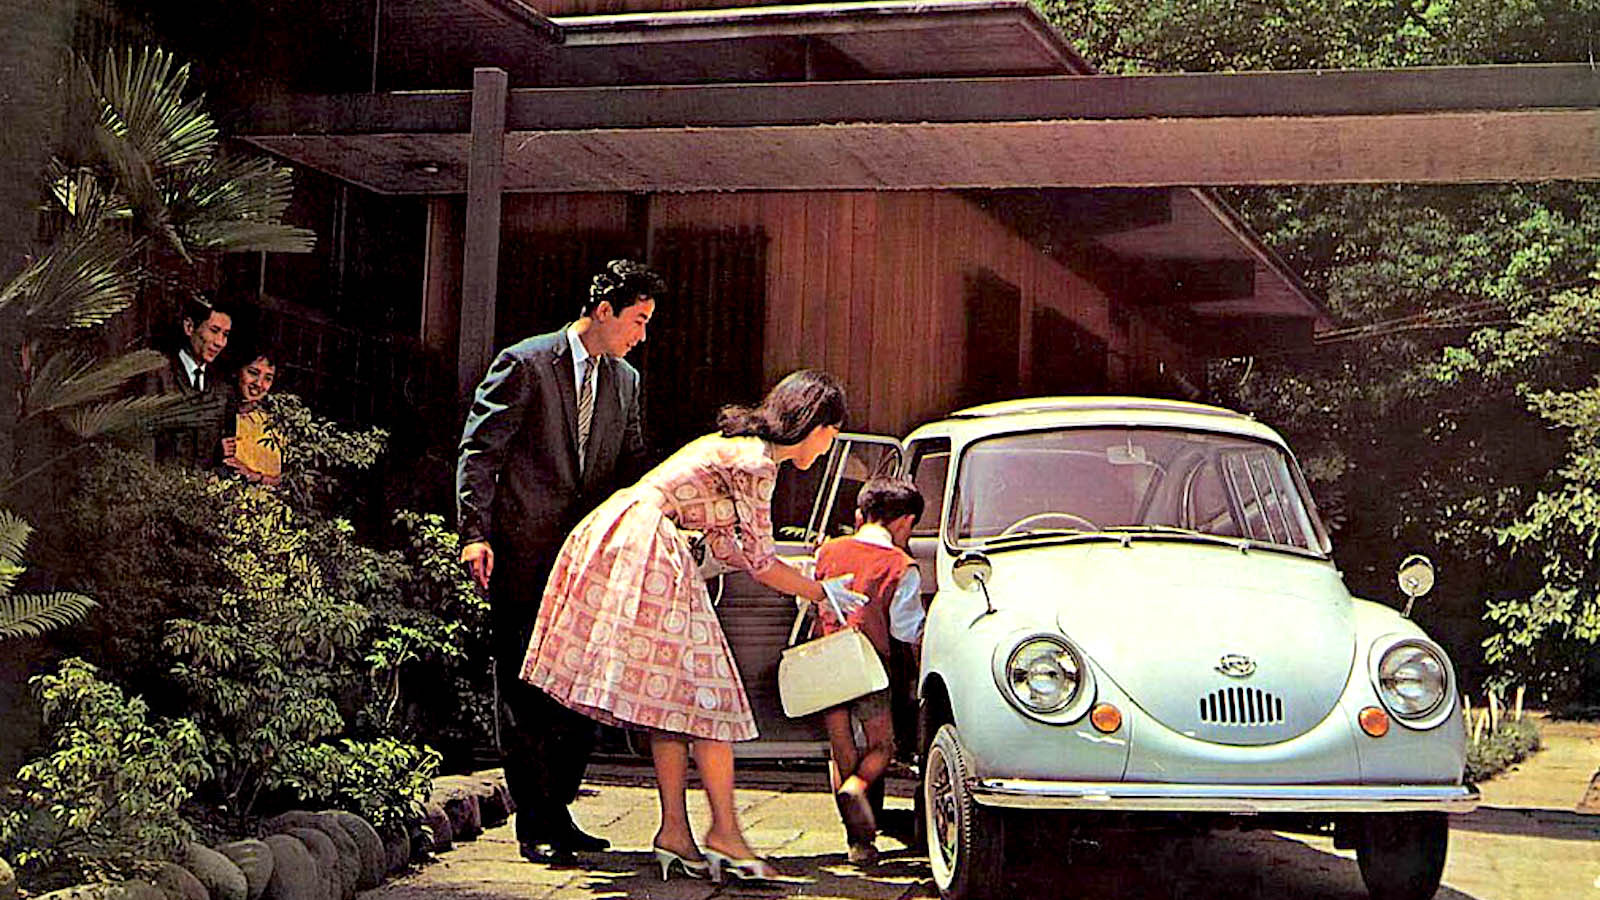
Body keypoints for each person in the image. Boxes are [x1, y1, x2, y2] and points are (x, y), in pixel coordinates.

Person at [521, 369, 863, 884]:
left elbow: (728, 544)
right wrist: (820, 590)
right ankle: (724, 834)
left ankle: (676, 834)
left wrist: (805, 581)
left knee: (676, 698)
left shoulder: (738, 449)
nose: (830, 443)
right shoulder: (757, 463)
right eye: (832, 431)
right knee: (710, 697)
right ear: (815, 424)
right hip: (648, 545)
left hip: (628, 536)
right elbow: (760, 561)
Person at [455, 259, 665, 866]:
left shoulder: (626, 381)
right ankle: (535, 822)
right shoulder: (524, 364)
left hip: (589, 562)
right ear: (603, 311)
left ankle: (559, 810)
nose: (642, 335)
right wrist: (474, 533)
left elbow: (630, 466)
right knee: (524, 688)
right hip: (523, 554)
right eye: (637, 320)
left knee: (580, 691)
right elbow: (480, 453)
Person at [811, 476, 926, 866]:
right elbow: (905, 629)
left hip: (827, 658)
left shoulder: (828, 550)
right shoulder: (900, 565)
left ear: (862, 514)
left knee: (841, 749)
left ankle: (857, 843)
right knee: (882, 746)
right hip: (869, 664)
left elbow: (809, 599)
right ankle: (857, 786)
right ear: (905, 522)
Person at [150, 298, 233, 466]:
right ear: (189, 327)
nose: (220, 342)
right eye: (214, 331)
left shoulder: (221, 389)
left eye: (225, 335)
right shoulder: (158, 373)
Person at [220, 348, 282, 486]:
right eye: (253, 373)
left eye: (268, 378)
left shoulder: (274, 423)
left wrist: (255, 477)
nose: (259, 384)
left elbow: (289, 478)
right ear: (237, 371)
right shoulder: (216, 414)